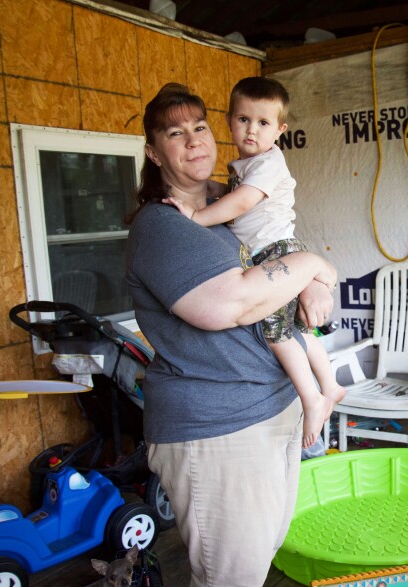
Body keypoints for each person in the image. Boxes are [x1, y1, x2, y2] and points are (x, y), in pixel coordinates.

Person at [125, 82, 337, 586]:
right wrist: (309, 266)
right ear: (154, 153)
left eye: (199, 127)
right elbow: (231, 304)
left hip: (270, 409)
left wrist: (316, 280)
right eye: (176, 133)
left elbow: (286, 274)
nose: (194, 140)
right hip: (217, 426)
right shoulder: (163, 225)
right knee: (231, 578)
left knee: (258, 558)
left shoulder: (230, 210)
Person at [164, 76, 345, 449]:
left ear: (280, 130)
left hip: (274, 253)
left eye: (263, 123)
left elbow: (243, 203)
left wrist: (197, 217)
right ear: (229, 121)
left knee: (275, 332)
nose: (251, 130)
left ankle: (313, 398)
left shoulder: (267, 163)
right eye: (244, 119)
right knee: (296, 329)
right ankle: (330, 384)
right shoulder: (247, 166)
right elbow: (230, 194)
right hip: (276, 250)